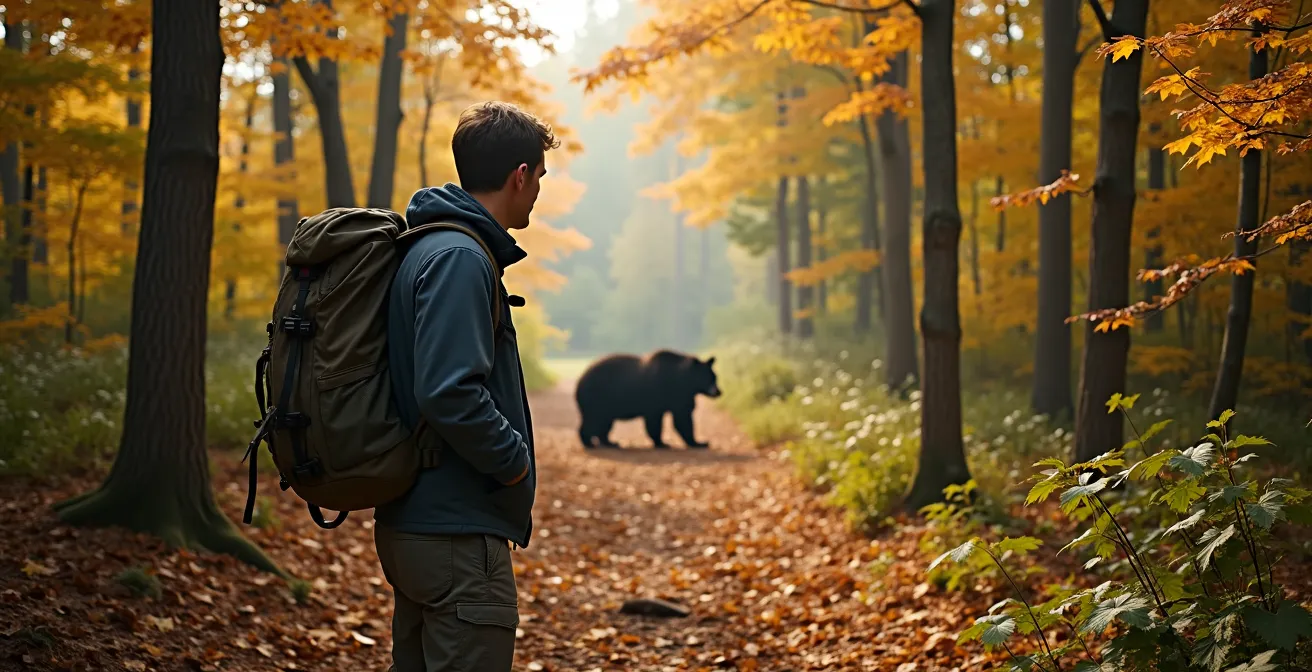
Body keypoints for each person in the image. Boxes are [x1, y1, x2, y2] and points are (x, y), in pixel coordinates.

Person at [373, 100, 557, 672]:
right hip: (454, 531)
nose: (537, 194)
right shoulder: (459, 257)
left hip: (423, 522)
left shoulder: (430, 246)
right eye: (539, 179)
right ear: (519, 175)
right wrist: (514, 463)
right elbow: (450, 390)